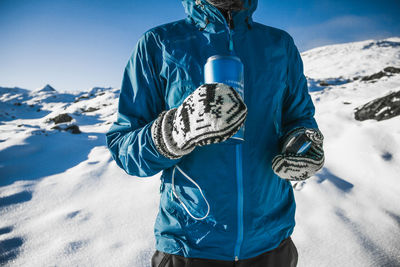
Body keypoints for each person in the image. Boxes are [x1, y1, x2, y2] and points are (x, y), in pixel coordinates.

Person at [106, 0, 325, 266]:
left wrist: (303, 144)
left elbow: (299, 119)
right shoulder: (159, 43)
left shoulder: (279, 45)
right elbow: (124, 147)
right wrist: (174, 131)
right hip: (189, 245)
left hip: (272, 244)